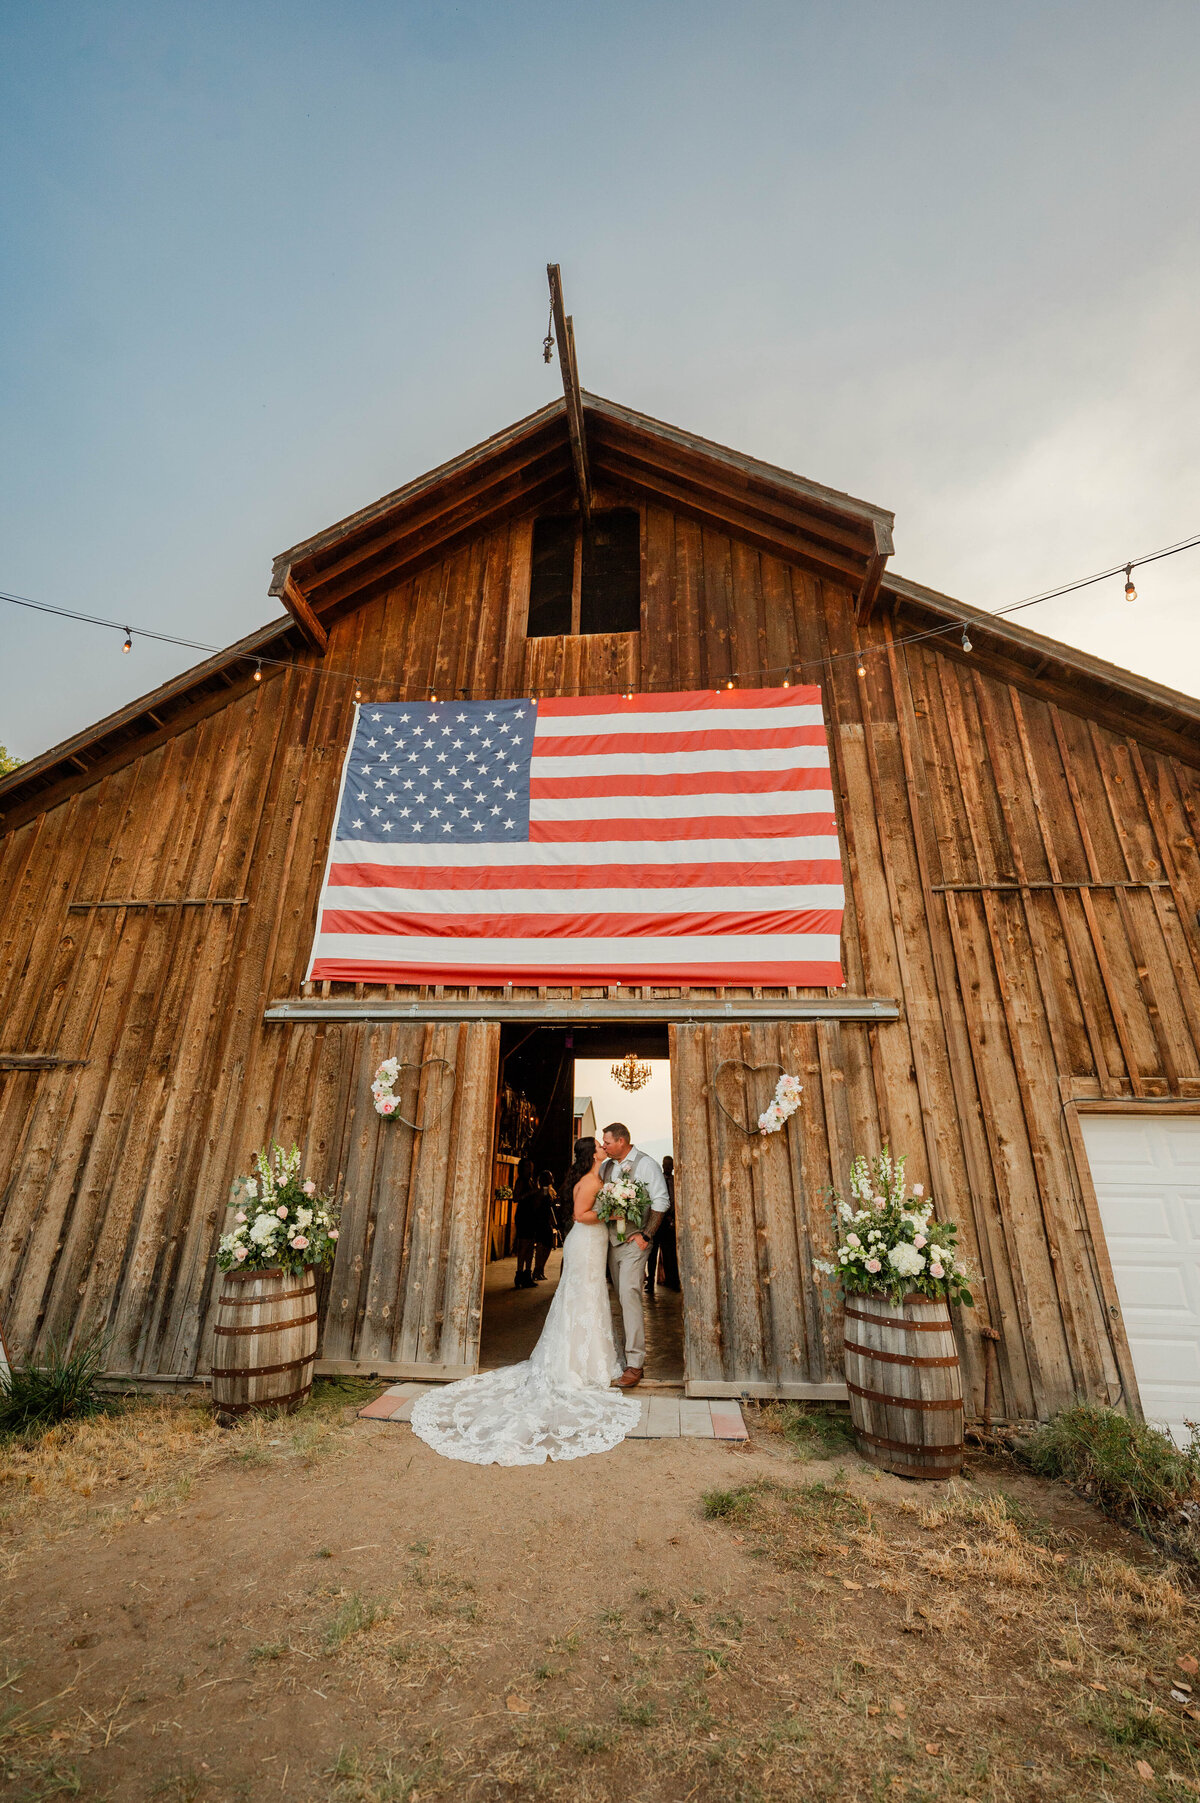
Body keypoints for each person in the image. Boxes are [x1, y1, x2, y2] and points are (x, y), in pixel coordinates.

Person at [409, 1139, 642, 1465]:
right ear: (592, 1154)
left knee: (587, 1298)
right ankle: (579, 1364)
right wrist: (611, 1211)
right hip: (586, 1243)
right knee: (583, 1297)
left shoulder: (593, 1179)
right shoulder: (590, 1181)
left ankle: (587, 1358)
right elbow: (579, 1214)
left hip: (590, 1244)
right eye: (600, 1147)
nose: (604, 1148)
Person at [599, 1123, 671, 1389]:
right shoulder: (606, 1167)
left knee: (630, 1294)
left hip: (634, 1241)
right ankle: (619, 1354)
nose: (603, 1146)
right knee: (620, 1297)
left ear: (621, 1141)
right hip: (610, 1243)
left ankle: (635, 1364)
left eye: (606, 1142)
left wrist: (646, 1235)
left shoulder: (645, 1164)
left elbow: (661, 1201)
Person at [646, 1154, 680, 1296]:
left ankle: (672, 1281)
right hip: (657, 1220)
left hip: (669, 1221)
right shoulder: (658, 1179)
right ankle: (650, 1281)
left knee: (670, 1253)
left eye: (670, 1165)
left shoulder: (675, 1180)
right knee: (652, 1253)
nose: (667, 1167)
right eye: (665, 1165)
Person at [512, 1157, 537, 1288]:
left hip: (531, 1215)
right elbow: (515, 1198)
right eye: (527, 1166)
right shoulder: (521, 1181)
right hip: (523, 1214)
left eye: (531, 1166)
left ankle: (528, 1272)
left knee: (530, 1245)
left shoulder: (531, 1180)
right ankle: (519, 1273)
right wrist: (530, 1193)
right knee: (523, 1245)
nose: (530, 1168)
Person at [530, 1169, 558, 1283]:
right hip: (542, 1220)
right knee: (543, 1246)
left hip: (545, 1220)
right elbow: (543, 1205)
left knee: (547, 1245)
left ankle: (540, 1269)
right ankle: (538, 1270)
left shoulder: (549, 1190)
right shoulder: (544, 1191)